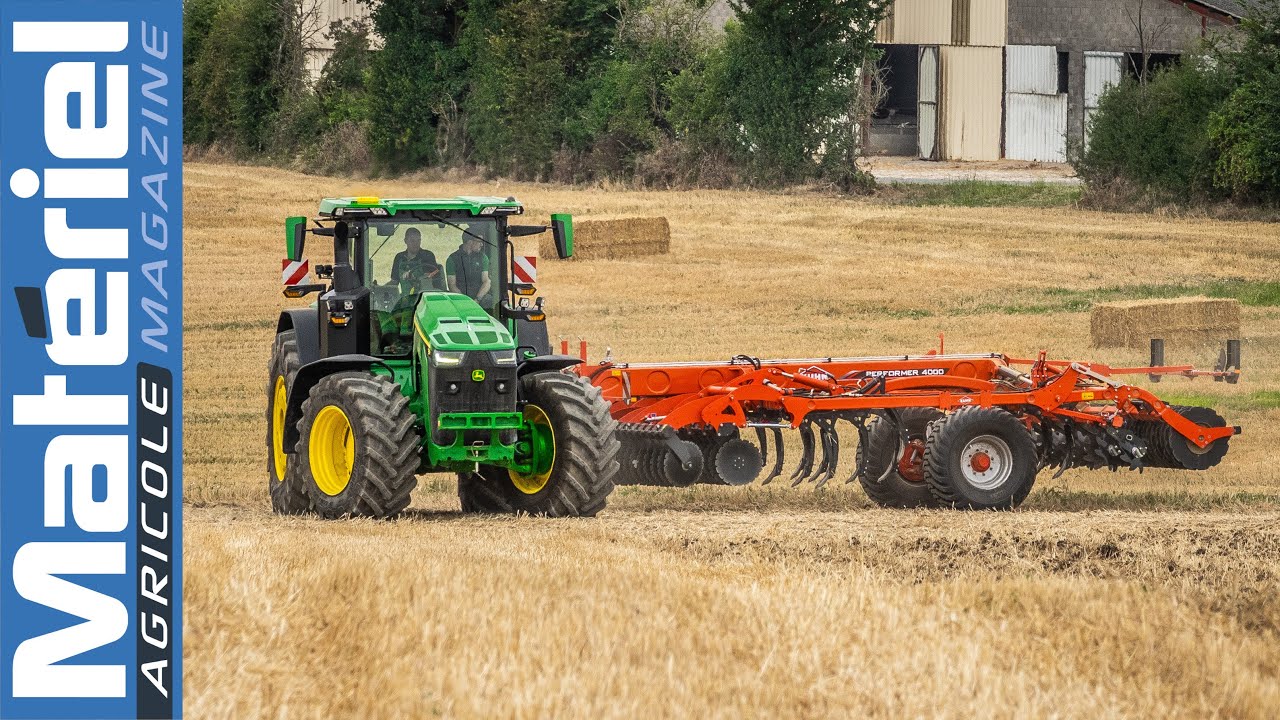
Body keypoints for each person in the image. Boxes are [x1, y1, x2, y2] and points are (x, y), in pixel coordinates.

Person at [389, 228, 442, 295]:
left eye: (418, 240)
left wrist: (412, 275)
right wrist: (380, 288)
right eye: (412, 241)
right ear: (405, 241)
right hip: (405, 298)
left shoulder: (427, 255)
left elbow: (429, 277)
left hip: (424, 297)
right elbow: (394, 282)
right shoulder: (399, 257)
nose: (416, 244)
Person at [446, 234, 492, 305]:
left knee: (489, 300)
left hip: (479, 298)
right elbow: (452, 285)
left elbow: (486, 281)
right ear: (470, 242)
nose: (482, 245)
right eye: (479, 241)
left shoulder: (483, 258)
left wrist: (477, 300)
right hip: (460, 298)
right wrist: (464, 301)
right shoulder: (452, 259)